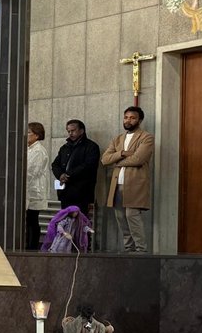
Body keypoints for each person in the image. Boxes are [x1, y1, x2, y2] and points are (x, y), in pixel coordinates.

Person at [101, 106, 155, 253]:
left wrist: (117, 162)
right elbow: (105, 159)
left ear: (139, 120)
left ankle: (141, 250)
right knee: (120, 217)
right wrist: (122, 153)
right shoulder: (118, 139)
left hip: (135, 184)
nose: (128, 120)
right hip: (117, 184)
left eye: (132, 118)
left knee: (132, 216)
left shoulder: (146, 137)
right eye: (126, 117)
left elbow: (138, 159)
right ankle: (128, 249)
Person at [51, 119, 100, 216]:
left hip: (81, 192)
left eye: (73, 130)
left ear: (81, 131)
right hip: (65, 191)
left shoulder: (91, 146)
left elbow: (88, 166)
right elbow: (55, 164)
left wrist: (68, 175)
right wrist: (60, 175)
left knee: (80, 220)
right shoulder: (65, 147)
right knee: (65, 219)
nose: (70, 133)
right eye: (68, 131)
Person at [26, 122, 53, 250]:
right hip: (29, 189)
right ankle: (27, 244)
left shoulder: (38, 151)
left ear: (36, 135)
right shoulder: (29, 149)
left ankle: (32, 246)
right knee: (28, 219)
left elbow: (31, 171)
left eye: (28, 132)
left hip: (34, 190)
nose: (26, 135)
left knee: (32, 219)